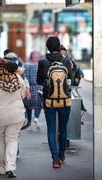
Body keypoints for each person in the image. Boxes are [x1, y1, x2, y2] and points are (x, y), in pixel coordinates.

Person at [0, 58, 26, 177]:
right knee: (12, 140)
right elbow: (23, 94)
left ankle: (1, 166)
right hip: (16, 114)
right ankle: (10, 167)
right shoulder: (16, 77)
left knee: (0, 140)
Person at [37, 36, 73, 168]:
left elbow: (39, 81)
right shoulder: (66, 61)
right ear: (59, 47)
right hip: (64, 100)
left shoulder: (43, 62)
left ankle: (55, 159)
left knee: (51, 130)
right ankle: (62, 155)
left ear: (47, 47)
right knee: (63, 129)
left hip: (49, 101)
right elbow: (71, 81)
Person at [23, 50, 42, 130]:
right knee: (39, 105)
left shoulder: (25, 65)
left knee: (28, 106)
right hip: (38, 87)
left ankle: (29, 123)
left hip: (28, 88)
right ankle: (36, 118)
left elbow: (23, 78)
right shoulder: (40, 65)